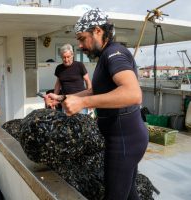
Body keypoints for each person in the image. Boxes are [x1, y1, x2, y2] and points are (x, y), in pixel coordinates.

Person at [46, 8, 148, 200]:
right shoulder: (106, 56)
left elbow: (133, 93)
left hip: (124, 141)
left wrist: (83, 102)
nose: (80, 45)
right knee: (130, 195)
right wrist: (63, 98)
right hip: (124, 138)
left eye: (83, 38)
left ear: (98, 31)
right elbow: (96, 90)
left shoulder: (114, 54)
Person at [45, 43, 91, 113]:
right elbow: (58, 84)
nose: (66, 60)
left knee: (81, 123)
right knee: (67, 123)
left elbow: (87, 81)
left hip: (80, 101)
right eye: (64, 57)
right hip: (66, 102)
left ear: (72, 55)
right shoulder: (59, 68)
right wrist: (55, 98)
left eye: (68, 57)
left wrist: (90, 98)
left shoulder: (79, 65)